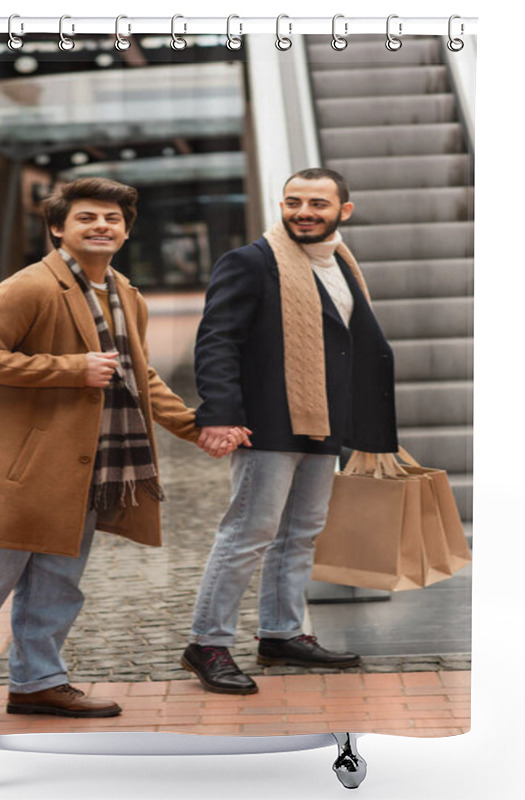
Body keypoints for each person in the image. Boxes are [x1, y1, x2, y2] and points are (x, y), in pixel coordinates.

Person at [0, 177, 243, 724]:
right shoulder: (29, 287)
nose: (102, 226)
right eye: (87, 218)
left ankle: (36, 682)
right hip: (21, 464)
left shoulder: (125, 295)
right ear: (57, 228)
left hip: (88, 464)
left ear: (125, 231)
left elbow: (137, 375)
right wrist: (70, 369)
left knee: (58, 578)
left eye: (112, 219)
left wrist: (195, 427)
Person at [181, 168, 399, 694]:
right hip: (268, 423)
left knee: (300, 534)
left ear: (342, 211)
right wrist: (220, 413)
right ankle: (206, 643)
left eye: (318, 203)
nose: (304, 211)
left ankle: (281, 634)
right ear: (281, 206)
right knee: (248, 533)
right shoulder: (252, 263)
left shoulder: (341, 264)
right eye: (293, 201)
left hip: (324, 422)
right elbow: (217, 341)